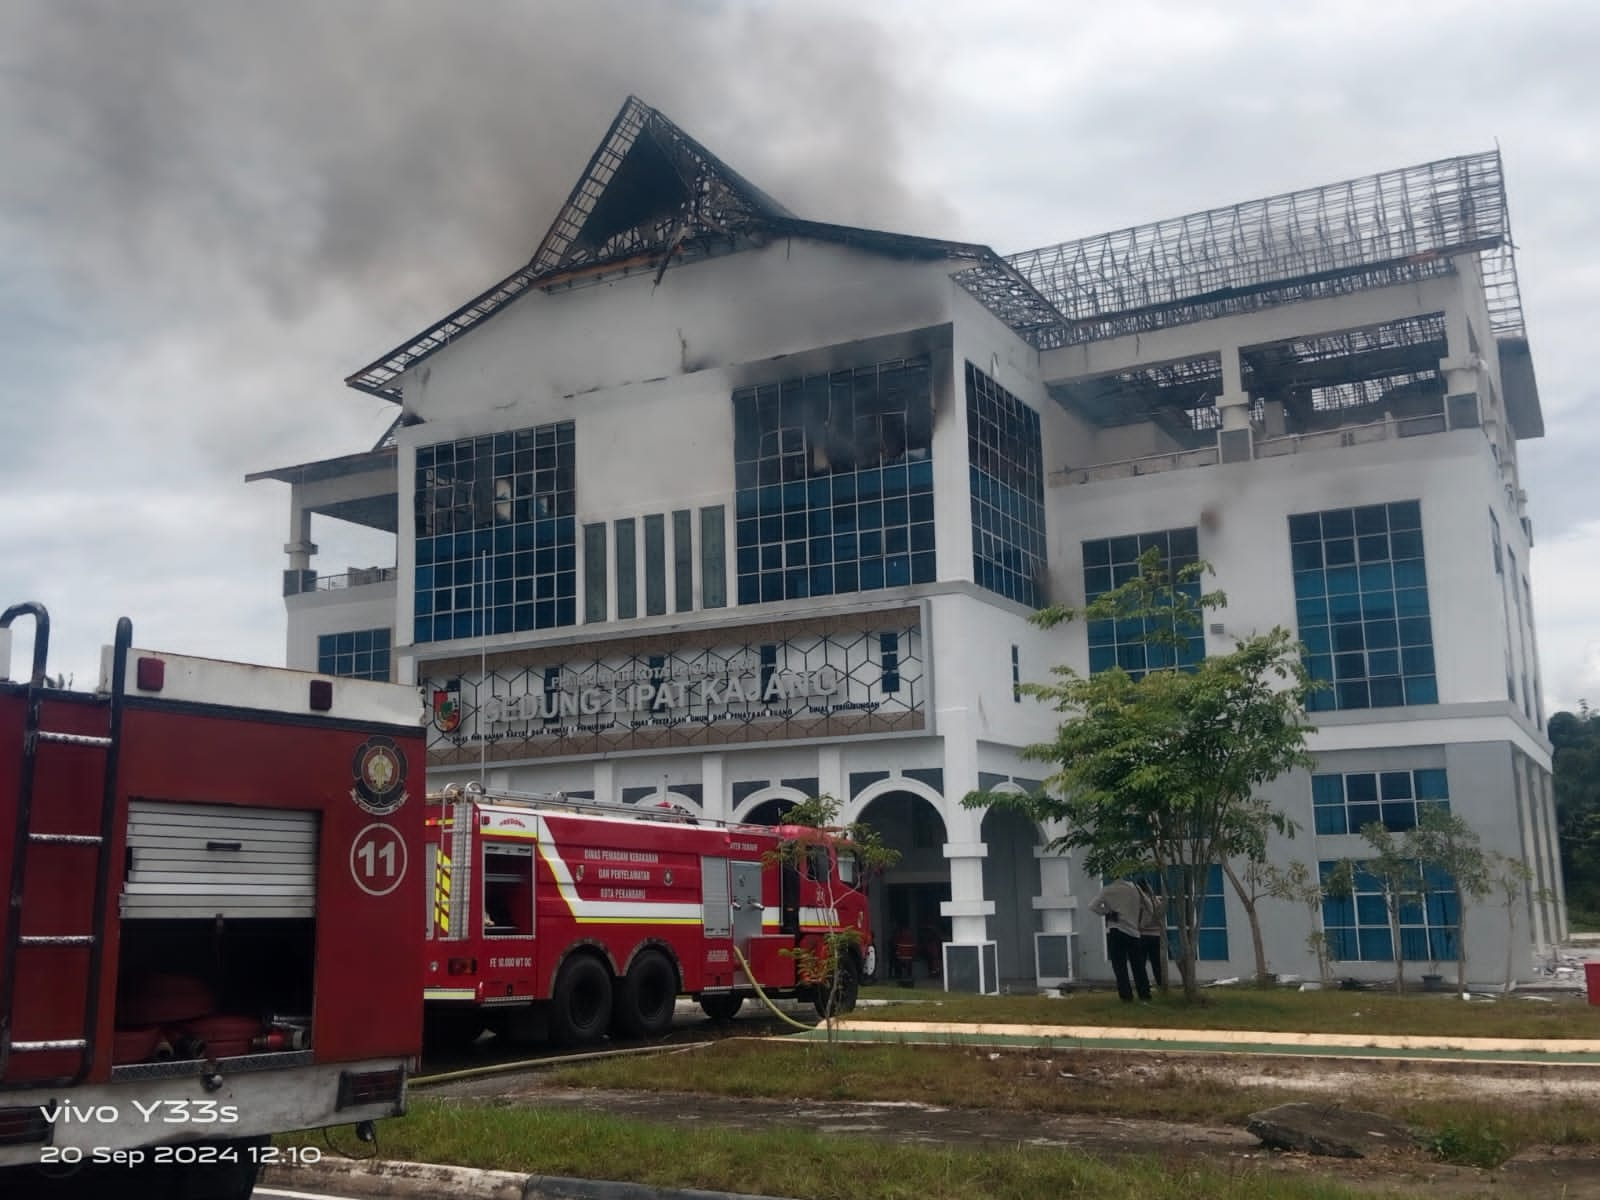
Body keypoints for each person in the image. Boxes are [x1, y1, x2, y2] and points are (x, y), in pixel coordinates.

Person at [1089, 878, 1151, 1002]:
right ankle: (1144, 994)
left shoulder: (1107, 890)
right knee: (1138, 966)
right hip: (1134, 932)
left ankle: (1126, 997)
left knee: (1120, 967)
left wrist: (1107, 912)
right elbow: (1149, 906)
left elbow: (1092, 906)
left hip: (1116, 930)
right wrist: (1142, 923)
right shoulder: (1136, 889)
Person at [1136, 880, 1167, 992]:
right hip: (1156, 935)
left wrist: (1140, 926)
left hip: (1143, 934)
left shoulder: (1142, 902)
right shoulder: (1156, 901)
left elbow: (1143, 918)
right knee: (1156, 962)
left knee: (1141, 963)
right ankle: (1160, 984)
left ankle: (1144, 986)